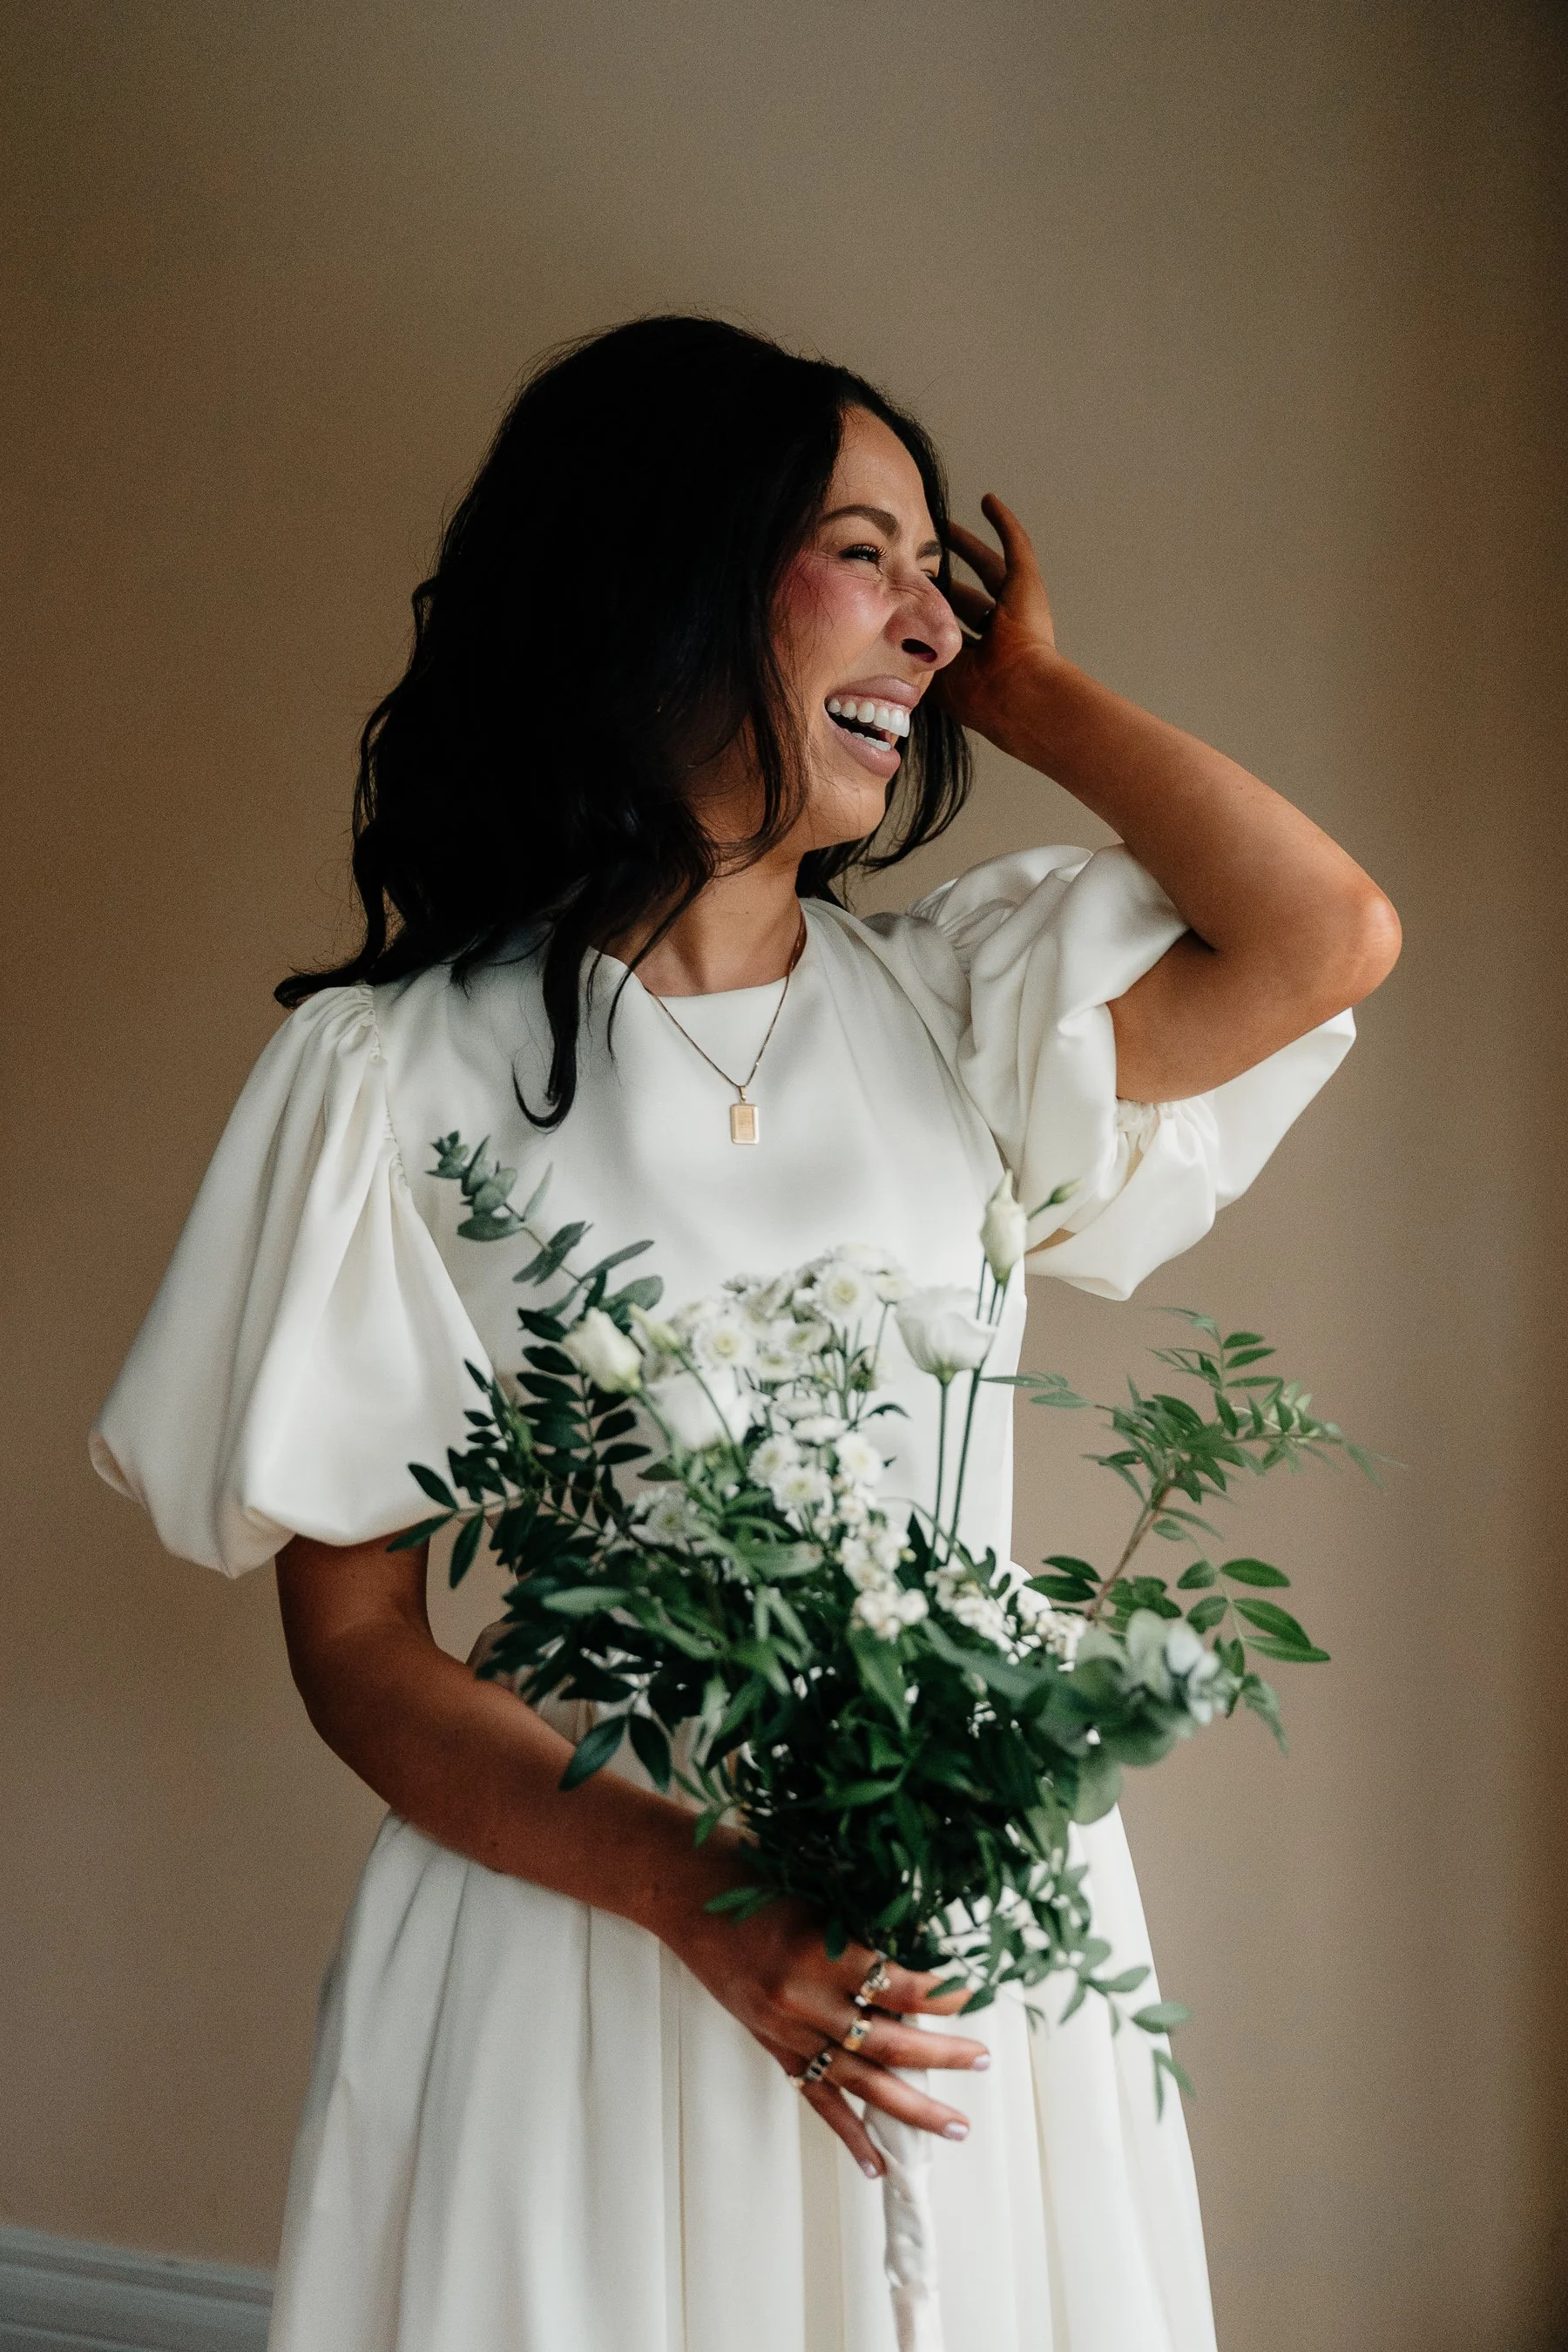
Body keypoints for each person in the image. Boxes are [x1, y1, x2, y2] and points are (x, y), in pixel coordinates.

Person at [91, 315, 1400, 2352]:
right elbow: (357, 1653)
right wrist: (702, 1894)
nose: (934, 628)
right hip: (588, 1927)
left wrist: (1045, 695)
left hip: (954, 1945)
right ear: (674, 581)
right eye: (864, 554)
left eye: (933, 577)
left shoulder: (967, 1020)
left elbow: (1328, 938)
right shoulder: (392, 1083)